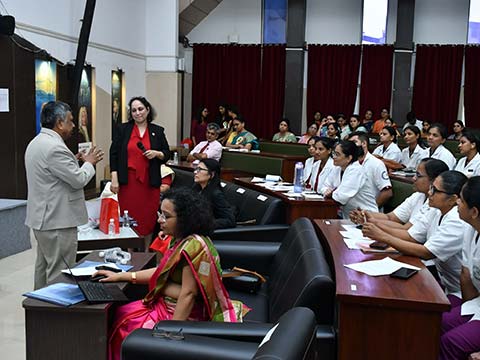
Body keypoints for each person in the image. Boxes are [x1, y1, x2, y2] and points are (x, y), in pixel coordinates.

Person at [94, 188, 245, 360]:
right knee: (122, 312)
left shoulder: (193, 247)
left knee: (126, 326)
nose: (160, 220)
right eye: (160, 214)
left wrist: (169, 338)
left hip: (184, 315)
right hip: (167, 303)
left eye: (166, 216)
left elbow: (188, 295)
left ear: (184, 219)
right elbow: (162, 272)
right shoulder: (180, 238)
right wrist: (123, 276)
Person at [25, 101, 104, 289]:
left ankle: (41, 313)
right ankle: (56, 314)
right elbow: (78, 180)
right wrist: (89, 163)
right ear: (59, 123)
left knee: (43, 268)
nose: (74, 125)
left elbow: (52, 175)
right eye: (70, 121)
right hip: (57, 220)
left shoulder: (37, 142)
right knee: (60, 271)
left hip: (42, 218)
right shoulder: (55, 148)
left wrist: (73, 161)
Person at [362, 170, 467, 295]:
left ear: (452, 199)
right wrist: (374, 224)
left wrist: (382, 236)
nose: (429, 193)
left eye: (435, 190)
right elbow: (411, 236)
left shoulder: (456, 220)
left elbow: (426, 252)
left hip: (461, 292)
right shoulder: (436, 210)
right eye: (431, 188)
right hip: (446, 283)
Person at [109, 96, 170, 244]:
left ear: (148, 110)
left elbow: (166, 154)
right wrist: (114, 179)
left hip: (149, 182)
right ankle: (130, 248)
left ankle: (147, 249)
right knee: (129, 216)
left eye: (141, 109)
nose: (138, 113)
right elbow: (114, 154)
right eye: (134, 110)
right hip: (128, 182)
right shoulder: (122, 129)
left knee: (148, 217)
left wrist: (157, 153)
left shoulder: (158, 131)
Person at [439, 176, 480, 360]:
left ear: (474, 212)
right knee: (436, 322)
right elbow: (466, 275)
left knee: (451, 342)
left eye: (461, 200)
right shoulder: (470, 228)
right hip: (476, 303)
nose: (457, 202)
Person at [350, 158, 449, 230]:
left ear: (434, 180)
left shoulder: (436, 204)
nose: (414, 178)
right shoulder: (418, 195)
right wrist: (364, 215)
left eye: (418, 175)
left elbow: (407, 229)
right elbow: (391, 217)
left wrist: (370, 221)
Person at [322, 140, 378, 218]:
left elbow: (341, 197)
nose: (333, 157)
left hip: (365, 217)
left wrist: (331, 193)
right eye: (333, 153)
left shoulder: (356, 170)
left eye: (337, 154)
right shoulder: (337, 167)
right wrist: (328, 191)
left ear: (349, 158)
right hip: (348, 216)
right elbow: (322, 187)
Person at [348, 131, 393, 208]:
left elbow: (387, 192)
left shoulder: (376, 163)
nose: (351, 146)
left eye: (354, 142)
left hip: (368, 212)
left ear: (364, 143)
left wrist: (371, 209)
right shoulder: (350, 162)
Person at [192, 159, 236, 229]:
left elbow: (230, 220)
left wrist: (205, 224)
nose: (195, 172)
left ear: (212, 174)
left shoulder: (216, 194)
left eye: (200, 169)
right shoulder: (196, 189)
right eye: (196, 168)